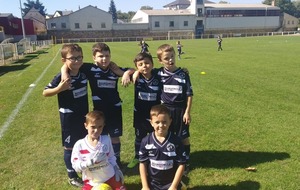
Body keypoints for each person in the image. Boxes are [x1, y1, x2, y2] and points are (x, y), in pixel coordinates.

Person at [61, 42, 134, 167]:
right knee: (101, 137)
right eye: (101, 56)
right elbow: (68, 65)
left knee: (115, 137)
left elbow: (134, 70)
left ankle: (116, 162)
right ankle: (103, 160)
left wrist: (127, 73)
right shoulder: (89, 69)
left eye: (107, 55)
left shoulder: (114, 69)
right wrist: (64, 73)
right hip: (99, 111)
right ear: (94, 57)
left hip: (115, 108)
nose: (104, 59)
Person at [43, 43, 88, 187]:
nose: (77, 61)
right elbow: (45, 92)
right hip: (69, 118)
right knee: (69, 146)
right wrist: (60, 88)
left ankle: (84, 169)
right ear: (64, 60)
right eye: (73, 58)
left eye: (79, 57)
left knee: (83, 143)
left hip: (83, 115)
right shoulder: (61, 77)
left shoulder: (84, 70)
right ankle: (72, 175)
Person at [156, 44, 193, 175]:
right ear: (160, 61)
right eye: (166, 58)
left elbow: (189, 94)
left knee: (183, 136)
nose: (170, 60)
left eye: (172, 56)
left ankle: (186, 161)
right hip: (165, 110)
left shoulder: (183, 74)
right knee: (167, 135)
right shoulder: (158, 73)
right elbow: (143, 70)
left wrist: (187, 112)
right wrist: (133, 72)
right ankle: (171, 159)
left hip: (181, 110)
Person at [71, 110, 126, 190]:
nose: (96, 130)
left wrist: (116, 168)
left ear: (103, 125)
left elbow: (111, 157)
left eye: (100, 127)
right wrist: (89, 163)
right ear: (86, 125)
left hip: (109, 178)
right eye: (93, 127)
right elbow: (76, 167)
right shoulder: (79, 145)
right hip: (91, 182)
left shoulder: (106, 140)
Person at [139, 104, 186, 190]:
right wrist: (145, 186)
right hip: (152, 183)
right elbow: (143, 163)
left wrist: (174, 186)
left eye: (164, 122)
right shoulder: (146, 141)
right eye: (157, 122)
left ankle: (179, 184)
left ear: (170, 121)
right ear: (151, 123)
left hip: (170, 183)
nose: (161, 125)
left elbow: (181, 165)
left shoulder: (176, 141)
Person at [127, 52, 161, 169]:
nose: (144, 66)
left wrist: (184, 71)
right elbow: (120, 69)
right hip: (140, 114)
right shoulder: (137, 76)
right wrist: (131, 72)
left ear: (152, 64)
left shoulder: (158, 75)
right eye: (140, 64)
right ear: (137, 66)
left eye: (147, 63)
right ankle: (138, 156)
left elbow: (169, 71)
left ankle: (155, 155)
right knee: (139, 137)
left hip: (155, 115)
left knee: (155, 136)